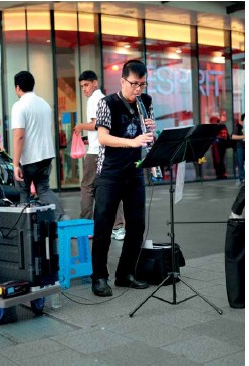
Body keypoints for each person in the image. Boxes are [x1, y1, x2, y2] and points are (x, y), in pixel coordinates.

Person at [91, 60, 156, 297]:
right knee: (103, 227)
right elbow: (103, 138)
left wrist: (151, 130)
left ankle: (124, 274)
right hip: (109, 173)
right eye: (134, 84)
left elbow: (149, 137)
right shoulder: (106, 103)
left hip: (134, 171)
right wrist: (133, 141)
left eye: (142, 84)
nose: (138, 89)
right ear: (122, 81)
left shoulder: (146, 102)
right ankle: (98, 277)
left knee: (137, 226)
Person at [11, 70, 69, 221]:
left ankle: (26, 227)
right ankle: (62, 217)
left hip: (29, 158)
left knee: (23, 192)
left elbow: (19, 136)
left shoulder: (19, 106)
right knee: (43, 189)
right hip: (46, 156)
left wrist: (15, 164)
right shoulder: (44, 104)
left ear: (17, 87)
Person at [75, 70, 125, 240]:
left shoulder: (94, 99)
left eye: (86, 85)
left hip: (96, 152)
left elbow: (96, 124)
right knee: (111, 188)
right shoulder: (106, 99)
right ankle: (118, 227)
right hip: (106, 150)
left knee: (87, 188)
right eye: (82, 86)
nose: (84, 89)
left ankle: (85, 225)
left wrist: (81, 126)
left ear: (95, 83)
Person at [210, 112, 228, 179]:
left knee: (219, 160)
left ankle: (222, 174)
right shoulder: (217, 127)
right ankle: (219, 174)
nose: (211, 123)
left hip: (219, 146)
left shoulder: (220, 126)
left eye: (212, 122)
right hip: (216, 146)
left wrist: (216, 137)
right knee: (217, 160)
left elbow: (224, 136)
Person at [231, 113, 245, 183]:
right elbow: (233, 137)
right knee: (240, 162)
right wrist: (243, 136)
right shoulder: (237, 126)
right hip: (240, 147)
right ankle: (242, 178)